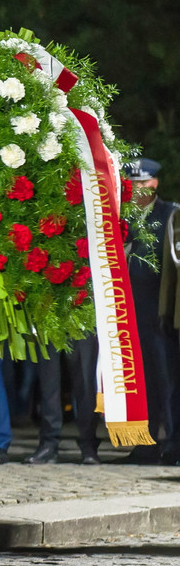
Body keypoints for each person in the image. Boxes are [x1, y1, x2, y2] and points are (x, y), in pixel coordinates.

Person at [123, 158, 179, 463]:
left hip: (160, 313)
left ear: (155, 184)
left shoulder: (171, 214)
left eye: (143, 183)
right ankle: (145, 443)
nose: (137, 189)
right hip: (129, 314)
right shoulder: (123, 217)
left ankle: (174, 444)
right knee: (138, 383)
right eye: (132, 184)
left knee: (167, 380)